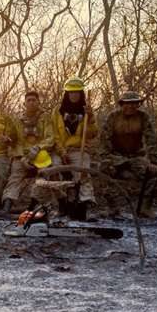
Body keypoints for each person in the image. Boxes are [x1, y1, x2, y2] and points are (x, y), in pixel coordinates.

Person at [99, 91, 157, 218]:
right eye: (127, 104)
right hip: (115, 156)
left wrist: (153, 159)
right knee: (104, 169)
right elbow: (104, 139)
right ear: (122, 104)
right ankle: (113, 208)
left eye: (134, 104)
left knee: (154, 173)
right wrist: (107, 157)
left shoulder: (143, 117)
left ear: (138, 105)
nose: (131, 107)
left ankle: (145, 208)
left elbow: (151, 138)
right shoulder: (113, 117)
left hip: (136, 156)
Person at [0, 91, 58, 215]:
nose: (31, 102)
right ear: (24, 103)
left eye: (33, 100)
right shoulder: (18, 120)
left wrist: (38, 148)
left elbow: (50, 137)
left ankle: (34, 206)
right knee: (14, 177)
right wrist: (8, 140)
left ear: (38, 102)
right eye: (28, 100)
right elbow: (14, 139)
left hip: (41, 155)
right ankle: (6, 208)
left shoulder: (45, 118)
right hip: (22, 156)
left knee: (43, 177)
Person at [52, 77, 98, 220]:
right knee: (53, 171)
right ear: (66, 94)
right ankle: (62, 205)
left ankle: (84, 206)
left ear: (81, 94)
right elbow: (54, 135)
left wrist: (89, 119)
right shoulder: (57, 112)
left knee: (83, 173)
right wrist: (62, 152)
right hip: (60, 151)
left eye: (77, 92)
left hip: (79, 150)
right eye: (71, 93)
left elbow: (93, 133)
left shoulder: (87, 111)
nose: (74, 95)